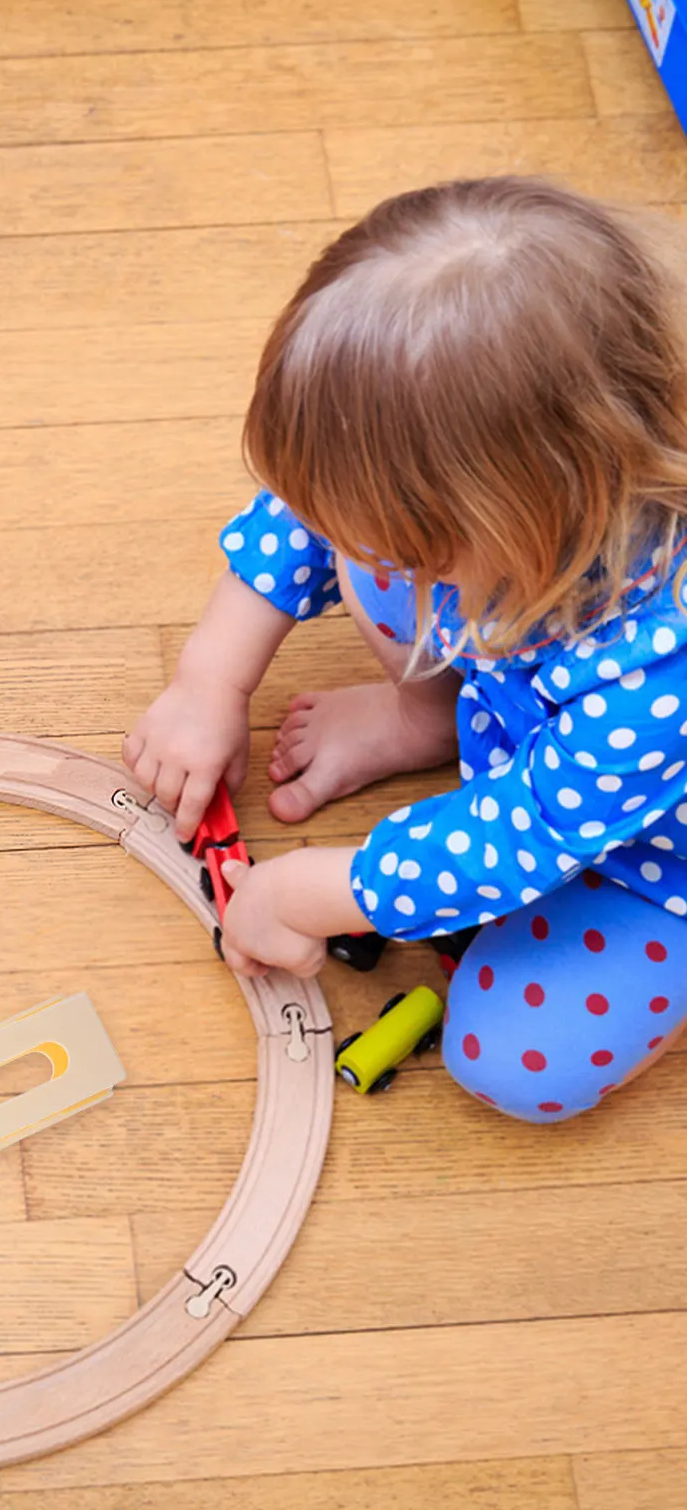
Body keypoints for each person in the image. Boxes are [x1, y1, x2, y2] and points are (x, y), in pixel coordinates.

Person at [125, 177, 687, 1124]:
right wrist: (209, 678)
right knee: (372, 543)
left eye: (413, 543)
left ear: (532, 512)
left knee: (513, 1058)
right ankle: (420, 721)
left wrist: (316, 892)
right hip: (542, 714)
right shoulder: (521, 489)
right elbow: (315, 509)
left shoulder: (657, 674)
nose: (358, 546)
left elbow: (524, 833)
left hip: (648, 852)